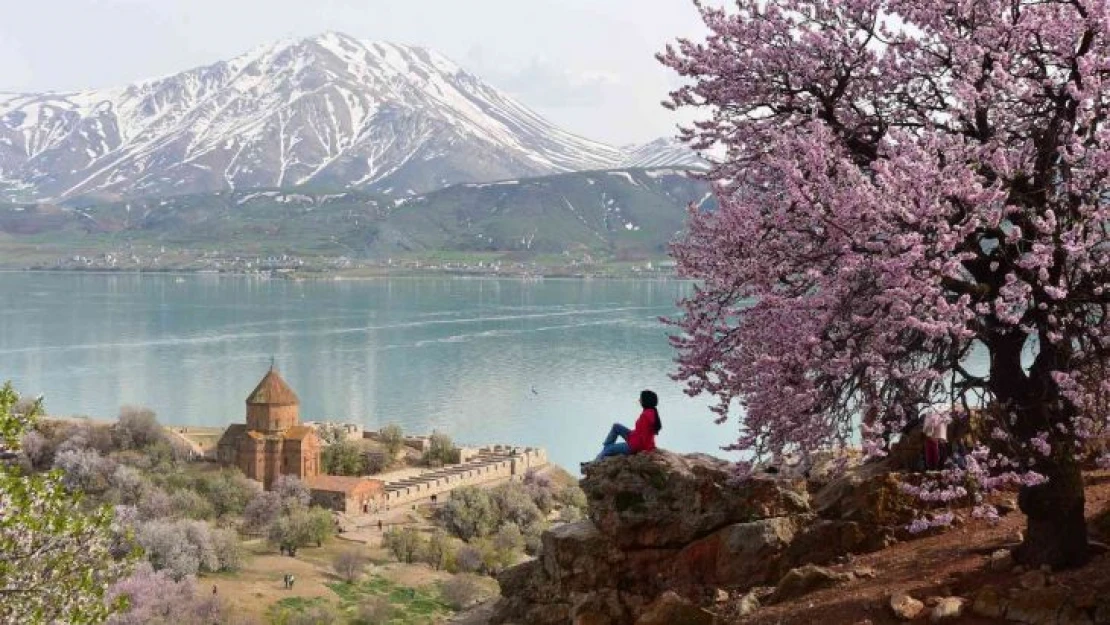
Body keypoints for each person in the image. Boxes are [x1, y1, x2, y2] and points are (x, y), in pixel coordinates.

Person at [594, 390, 662, 461]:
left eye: (640, 398)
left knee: (609, 448)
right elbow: (647, 433)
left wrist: (647, 451)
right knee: (616, 426)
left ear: (646, 401)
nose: (639, 400)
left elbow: (645, 438)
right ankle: (604, 450)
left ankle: (596, 461)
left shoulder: (646, 416)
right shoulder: (651, 411)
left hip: (635, 446)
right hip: (634, 437)